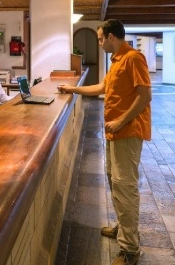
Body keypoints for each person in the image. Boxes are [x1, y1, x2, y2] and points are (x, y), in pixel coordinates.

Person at [58, 19, 151, 265]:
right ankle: (123, 227)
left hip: (128, 132)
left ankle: (130, 249)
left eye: (100, 39)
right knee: (115, 181)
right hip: (115, 132)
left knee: (124, 186)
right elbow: (103, 88)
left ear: (111, 36)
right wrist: (72, 90)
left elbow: (145, 96)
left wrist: (120, 121)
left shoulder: (133, 58)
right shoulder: (117, 60)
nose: (99, 43)